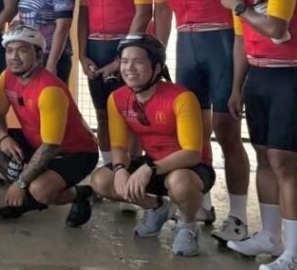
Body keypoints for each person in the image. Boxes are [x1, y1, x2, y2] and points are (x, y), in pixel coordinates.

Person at [144, 0, 249, 236]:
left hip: (222, 41)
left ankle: (238, 216)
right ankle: (201, 203)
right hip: (187, 46)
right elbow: (162, 9)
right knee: (192, 131)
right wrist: (155, 56)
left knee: (228, 132)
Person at [215, 0, 297, 270]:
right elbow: (239, 40)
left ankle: (296, 253)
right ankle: (270, 236)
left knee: (284, 162)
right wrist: (236, 87)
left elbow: (275, 26)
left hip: (290, 76)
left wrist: (238, 7)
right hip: (259, 78)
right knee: (263, 156)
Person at [88, 35, 214, 257]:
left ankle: (187, 225)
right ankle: (156, 207)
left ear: (157, 67)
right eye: (125, 61)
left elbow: (193, 153)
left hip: (190, 168)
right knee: (101, 180)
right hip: (154, 164)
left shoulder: (181, 97)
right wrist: (119, 170)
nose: (129, 68)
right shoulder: (116, 98)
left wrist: (149, 169)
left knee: (179, 182)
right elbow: (119, 146)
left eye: (138, 61)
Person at [0, 25, 97, 227]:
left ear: (38, 55)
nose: (14, 57)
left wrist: (21, 183)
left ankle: (79, 194)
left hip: (75, 153)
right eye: (9, 51)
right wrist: (4, 137)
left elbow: (50, 147)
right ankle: (24, 193)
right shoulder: (7, 77)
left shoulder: (49, 90)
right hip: (36, 142)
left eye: (22, 50)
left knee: (39, 190)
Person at [77, 0, 154, 167]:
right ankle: (110, 166)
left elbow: (144, 12)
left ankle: (132, 166)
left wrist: (122, 58)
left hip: (126, 46)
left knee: (132, 113)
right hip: (96, 49)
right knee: (102, 114)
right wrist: (82, 54)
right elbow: (84, 14)